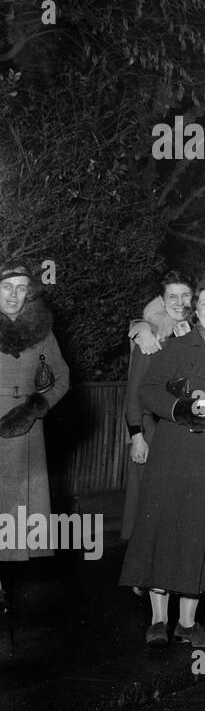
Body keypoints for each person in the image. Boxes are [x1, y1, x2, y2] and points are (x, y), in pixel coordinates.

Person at [119, 276, 205, 650]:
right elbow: (148, 391)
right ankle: (157, 619)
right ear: (195, 310)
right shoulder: (177, 345)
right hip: (173, 452)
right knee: (164, 529)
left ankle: (187, 623)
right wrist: (178, 409)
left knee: (199, 534)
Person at [0, 263, 70, 614]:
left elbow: (61, 379)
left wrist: (34, 408)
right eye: (6, 287)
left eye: (21, 288)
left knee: (13, 517)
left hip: (25, 429)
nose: (14, 295)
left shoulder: (41, 332)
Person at [122, 274, 193, 542]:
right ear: (161, 302)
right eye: (172, 296)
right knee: (151, 508)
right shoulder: (150, 339)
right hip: (155, 431)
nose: (179, 302)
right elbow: (134, 393)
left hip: (189, 430)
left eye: (185, 295)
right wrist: (136, 437)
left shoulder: (198, 333)